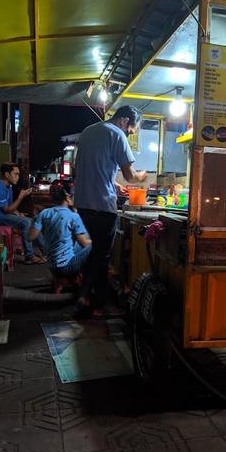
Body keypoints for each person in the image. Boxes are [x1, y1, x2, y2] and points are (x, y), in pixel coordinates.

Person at [74, 105, 147, 316]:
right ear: (124, 120)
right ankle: (99, 304)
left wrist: (111, 183)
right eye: (131, 129)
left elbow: (90, 166)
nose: (129, 133)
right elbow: (130, 176)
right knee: (102, 255)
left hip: (84, 202)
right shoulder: (116, 134)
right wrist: (142, 176)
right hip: (101, 204)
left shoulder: (89, 131)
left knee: (97, 252)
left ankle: (85, 295)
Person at [0, 162, 44, 264]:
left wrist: (18, 213)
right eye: (15, 174)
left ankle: (45, 252)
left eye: (18, 174)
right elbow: (7, 210)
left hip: (2, 214)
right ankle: (29, 256)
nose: (18, 177)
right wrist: (20, 197)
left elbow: (11, 207)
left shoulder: (9, 187)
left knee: (34, 221)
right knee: (26, 223)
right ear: (6, 175)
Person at [28, 187, 91, 279]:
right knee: (95, 246)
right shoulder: (73, 216)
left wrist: (35, 220)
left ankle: (73, 278)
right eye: (73, 196)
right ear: (67, 197)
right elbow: (84, 243)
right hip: (66, 267)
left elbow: (30, 237)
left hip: (51, 266)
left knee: (76, 241)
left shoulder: (44, 213)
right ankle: (85, 282)